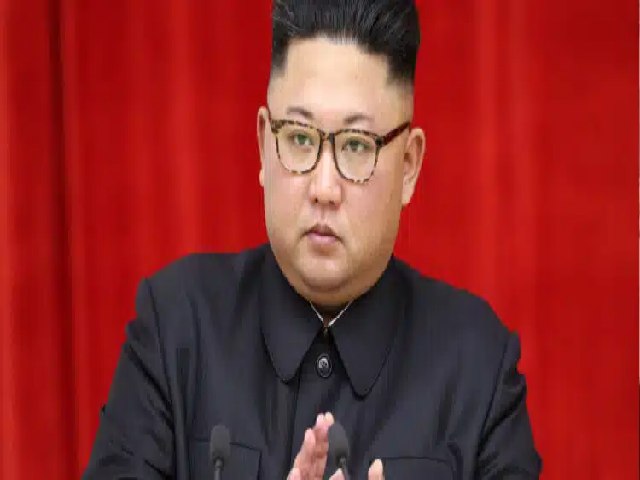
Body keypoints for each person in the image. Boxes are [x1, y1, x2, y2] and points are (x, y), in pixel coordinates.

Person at [84, 1, 541, 478]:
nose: (324, 188)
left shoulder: (477, 366)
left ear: (408, 167)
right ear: (264, 143)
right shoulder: (176, 328)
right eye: (300, 138)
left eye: (356, 145)